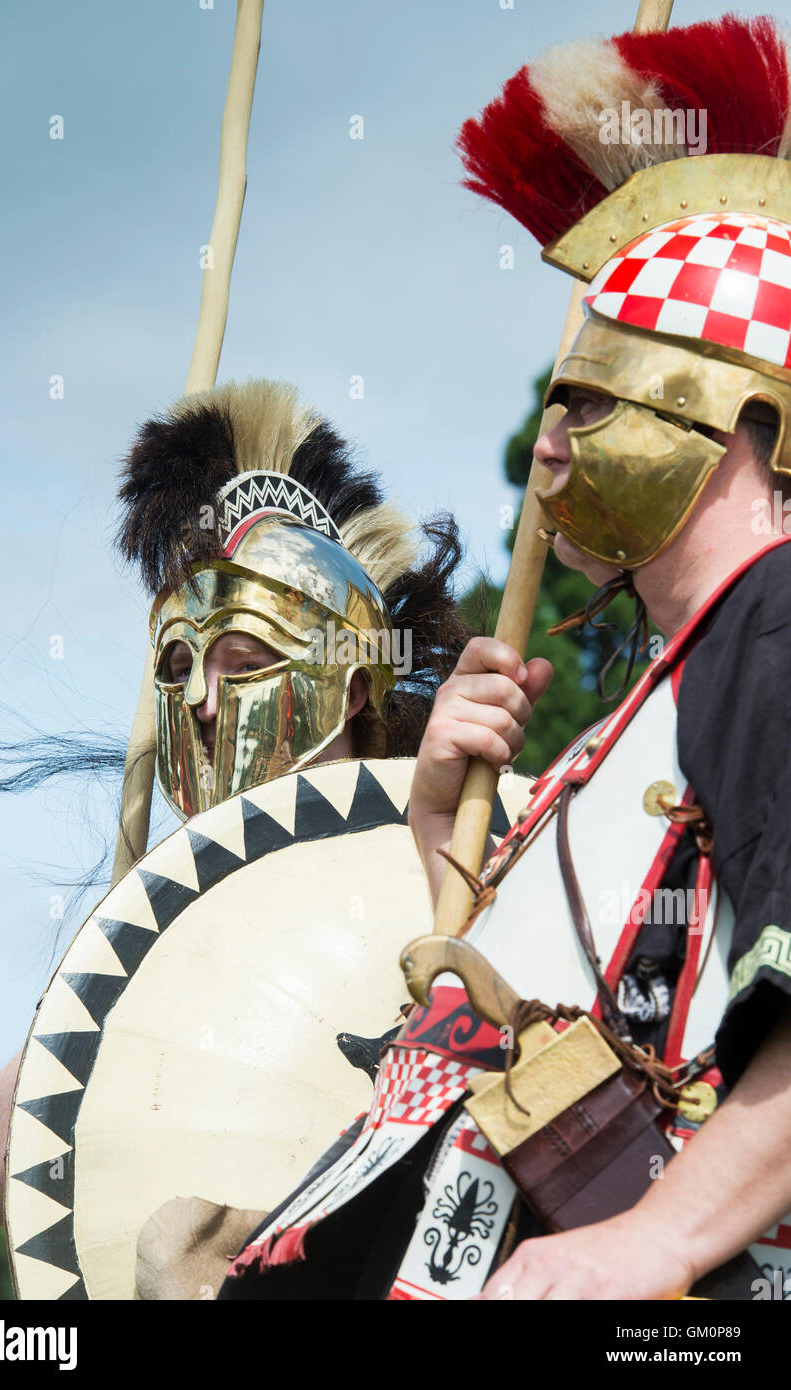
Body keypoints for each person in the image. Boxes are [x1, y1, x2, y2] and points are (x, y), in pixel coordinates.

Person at [219, 14, 791, 1301]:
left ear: (727, 413)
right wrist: (440, 822)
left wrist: (662, 1233)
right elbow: (512, 1005)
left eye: (586, 400)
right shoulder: (665, 689)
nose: (547, 447)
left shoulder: (776, 617)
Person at [0, 377, 478, 1228]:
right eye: (179, 667)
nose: (202, 699)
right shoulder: (152, 913)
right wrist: (112, 979)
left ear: (348, 688)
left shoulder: (433, 852)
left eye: (241, 664)